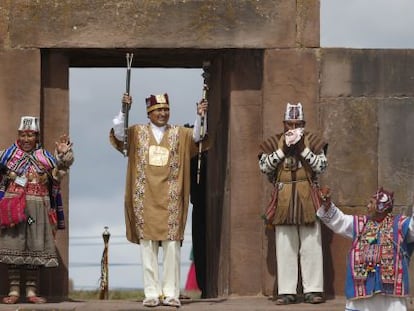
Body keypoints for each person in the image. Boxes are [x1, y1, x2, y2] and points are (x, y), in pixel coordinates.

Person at [110, 93, 208, 308]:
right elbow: (119, 135)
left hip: (171, 198)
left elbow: (198, 138)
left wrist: (200, 116)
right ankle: (152, 293)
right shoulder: (137, 132)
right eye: (158, 111)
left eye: (166, 110)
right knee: (148, 247)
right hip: (144, 197)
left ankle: (171, 293)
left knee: (172, 246)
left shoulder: (179, 133)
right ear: (149, 113)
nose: (163, 114)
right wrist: (124, 110)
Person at [258, 103, 328, 305]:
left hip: (307, 196)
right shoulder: (273, 142)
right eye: (290, 123)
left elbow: (321, 166)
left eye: (298, 124)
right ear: (284, 123)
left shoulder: (312, 142)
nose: (293, 128)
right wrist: (282, 150)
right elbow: (264, 166)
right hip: (284, 198)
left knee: (311, 246)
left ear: (304, 124)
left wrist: (303, 149)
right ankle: (287, 291)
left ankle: (313, 290)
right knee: (285, 246)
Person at [0, 116, 74, 304]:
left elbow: (57, 175)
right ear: (18, 135)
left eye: (30, 135)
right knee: (14, 244)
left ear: (37, 137)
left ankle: (32, 291)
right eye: (23, 135)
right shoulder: (7, 155)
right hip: (14, 207)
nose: (26, 139)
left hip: (37, 208)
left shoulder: (45, 157)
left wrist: (62, 156)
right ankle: (14, 290)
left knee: (34, 244)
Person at [317, 187, 414, 311]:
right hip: (362, 290)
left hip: (392, 295)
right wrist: (327, 205)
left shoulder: (400, 225)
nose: (368, 206)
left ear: (381, 206)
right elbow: (340, 221)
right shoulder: (360, 224)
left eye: (372, 203)